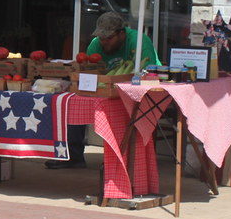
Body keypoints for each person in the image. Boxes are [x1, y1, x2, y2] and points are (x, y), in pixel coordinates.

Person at [46, 11, 160, 169]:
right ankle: (73, 156)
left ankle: (118, 158)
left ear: (121, 34)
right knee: (72, 103)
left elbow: (148, 71)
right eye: (101, 37)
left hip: (134, 89)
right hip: (103, 90)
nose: (104, 42)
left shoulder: (139, 41)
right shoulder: (95, 44)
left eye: (108, 38)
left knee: (120, 109)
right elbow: (87, 71)